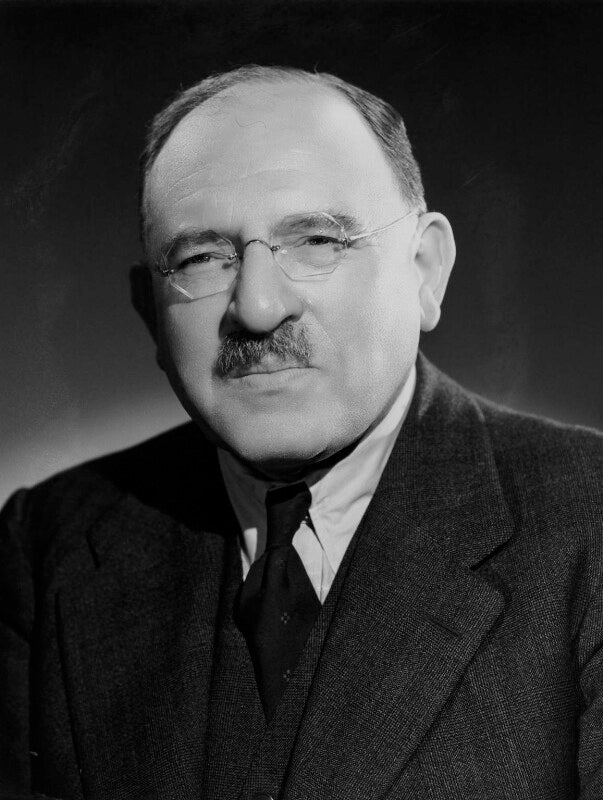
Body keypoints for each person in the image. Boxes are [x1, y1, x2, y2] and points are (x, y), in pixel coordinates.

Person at [1, 65, 601, 800]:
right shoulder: (43, 547)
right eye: (201, 258)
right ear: (149, 311)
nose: (257, 307)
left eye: (317, 240)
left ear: (424, 270)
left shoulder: (589, 522)